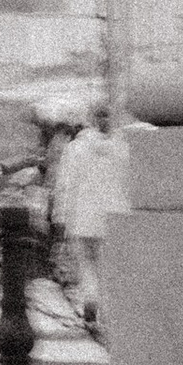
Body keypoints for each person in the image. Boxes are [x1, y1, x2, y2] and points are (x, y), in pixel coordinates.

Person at [53, 101, 128, 335]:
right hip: (115, 218)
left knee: (87, 266)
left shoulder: (76, 148)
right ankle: (108, 313)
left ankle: (90, 302)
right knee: (109, 267)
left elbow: (65, 185)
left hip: (82, 218)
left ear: (92, 120)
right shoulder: (124, 147)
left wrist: (61, 216)